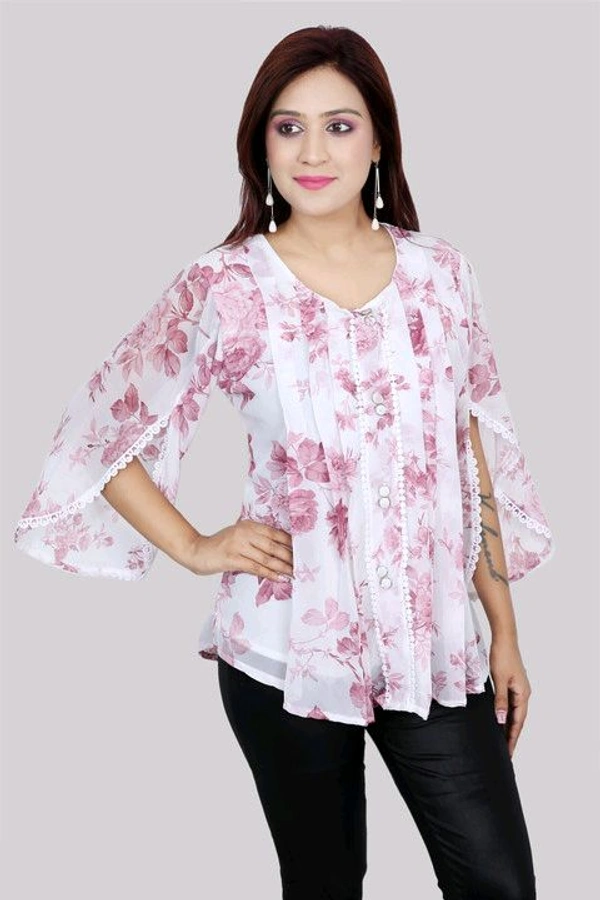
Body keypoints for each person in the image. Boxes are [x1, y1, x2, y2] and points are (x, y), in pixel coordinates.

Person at [14, 25, 555, 900]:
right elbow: (97, 434)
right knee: (324, 885)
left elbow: (466, 458)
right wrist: (197, 547)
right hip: (283, 652)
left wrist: (506, 630)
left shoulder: (441, 276)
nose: (312, 151)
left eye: (339, 126)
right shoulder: (225, 287)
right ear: (260, 145)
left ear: (379, 141)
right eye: (287, 126)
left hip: (434, 649)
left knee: (500, 883)